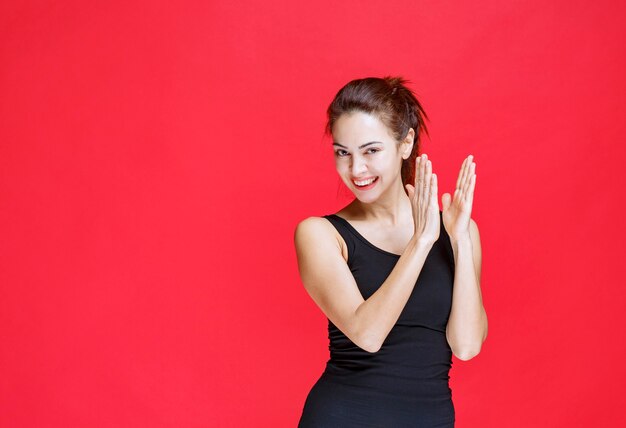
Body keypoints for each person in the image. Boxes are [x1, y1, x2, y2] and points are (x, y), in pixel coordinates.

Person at [294, 76, 488, 427]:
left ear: (405, 142)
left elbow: (467, 345)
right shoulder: (321, 234)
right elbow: (367, 334)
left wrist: (458, 240)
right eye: (343, 153)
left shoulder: (458, 230)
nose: (356, 170)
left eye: (371, 150)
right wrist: (420, 243)